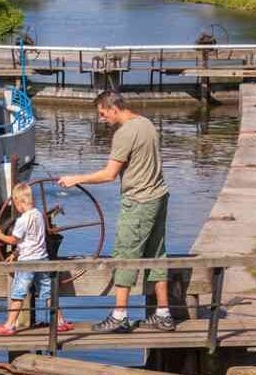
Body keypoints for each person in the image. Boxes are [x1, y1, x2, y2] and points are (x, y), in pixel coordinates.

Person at [60, 90, 173, 333]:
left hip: (139, 202)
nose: (102, 118)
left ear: (114, 108)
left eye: (102, 113)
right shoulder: (146, 124)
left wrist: (75, 178)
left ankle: (119, 315)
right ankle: (163, 314)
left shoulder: (124, 133)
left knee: (124, 256)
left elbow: (109, 174)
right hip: (159, 197)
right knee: (157, 253)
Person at [0, 183, 72, 335]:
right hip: (42, 260)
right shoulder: (39, 215)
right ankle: (61, 322)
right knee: (48, 293)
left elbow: (14, 240)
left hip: (27, 263)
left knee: (18, 294)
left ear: (19, 202)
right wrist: (14, 254)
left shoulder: (22, 220)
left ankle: (9, 325)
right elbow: (30, 240)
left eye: (15, 203)